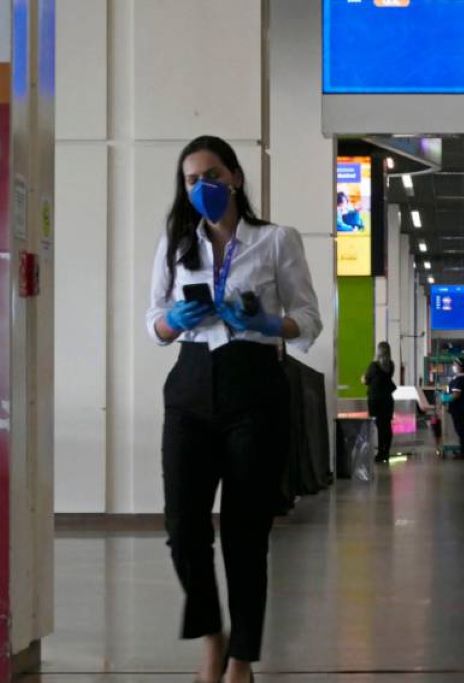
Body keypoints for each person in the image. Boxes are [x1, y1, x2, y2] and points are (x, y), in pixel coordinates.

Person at [146, 135, 322, 683]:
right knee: (183, 527)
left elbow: (308, 319)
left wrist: (268, 323)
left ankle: (241, 658)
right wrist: (174, 320)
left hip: (255, 386)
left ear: (236, 178)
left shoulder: (275, 240)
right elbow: (152, 323)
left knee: (246, 533)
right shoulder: (177, 243)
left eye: (213, 176)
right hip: (190, 385)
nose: (203, 187)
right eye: (192, 180)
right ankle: (212, 638)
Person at [362, 341, 397, 463]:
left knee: (380, 426)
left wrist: (362, 378)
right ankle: (385, 452)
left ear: (378, 351)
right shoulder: (391, 365)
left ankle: (380, 453)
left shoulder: (374, 366)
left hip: (375, 400)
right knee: (386, 426)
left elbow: (366, 380)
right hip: (387, 400)